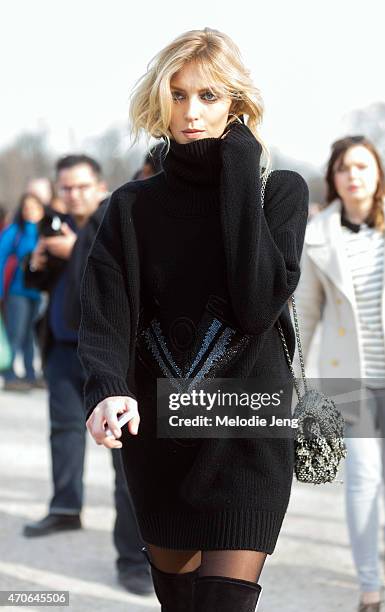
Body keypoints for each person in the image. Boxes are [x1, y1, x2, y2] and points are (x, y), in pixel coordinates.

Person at [78, 28, 309, 612]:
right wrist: (108, 390)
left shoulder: (278, 192)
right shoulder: (130, 208)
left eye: (208, 96)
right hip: (161, 435)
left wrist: (237, 166)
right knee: (179, 603)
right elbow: (105, 314)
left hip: (248, 430)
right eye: (177, 95)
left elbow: (257, 304)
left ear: (237, 103)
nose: (191, 112)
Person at [22, 154, 153, 596]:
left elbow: (108, 281)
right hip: (61, 347)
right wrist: (40, 262)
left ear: (99, 185)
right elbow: (46, 283)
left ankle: (134, 558)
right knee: (63, 431)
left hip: (109, 356)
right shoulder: (54, 224)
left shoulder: (118, 213)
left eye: (81, 186)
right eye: (66, 188)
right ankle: (64, 506)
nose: (72, 195)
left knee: (125, 458)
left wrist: (74, 245)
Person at [294, 135, 385, 612]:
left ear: (378, 172)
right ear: (333, 177)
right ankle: (368, 587)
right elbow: (306, 309)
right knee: (362, 481)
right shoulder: (317, 234)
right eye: (343, 168)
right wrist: (295, 377)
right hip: (346, 378)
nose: (353, 175)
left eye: (362, 166)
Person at [0, 193, 44, 391]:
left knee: (30, 335)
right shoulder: (15, 231)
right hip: (17, 292)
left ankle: (30, 374)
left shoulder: (45, 230)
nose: (30, 212)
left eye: (34, 207)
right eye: (27, 208)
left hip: (38, 293)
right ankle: (8, 375)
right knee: (15, 333)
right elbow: (1, 258)